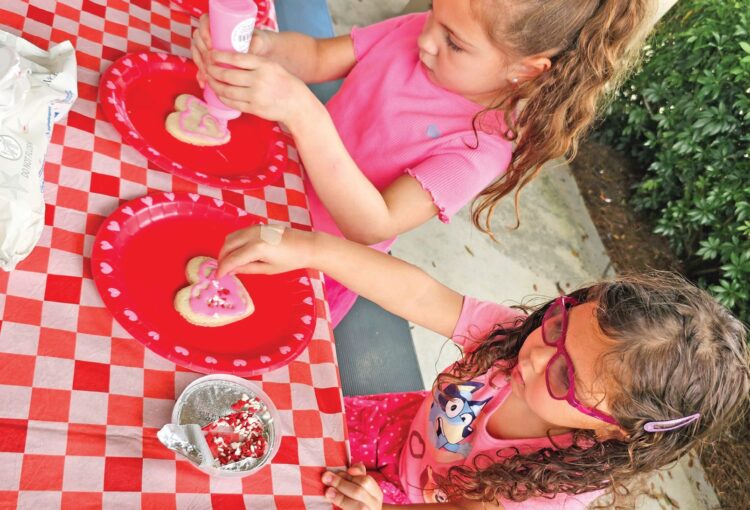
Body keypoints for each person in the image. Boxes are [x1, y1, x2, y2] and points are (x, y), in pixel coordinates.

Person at [216, 225, 750, 509]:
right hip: (386, 429)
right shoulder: (513, 337)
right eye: (561, 323)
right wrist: (314, 249)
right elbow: (422, 294)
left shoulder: (558, 487)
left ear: (616, 429)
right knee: (243, 438)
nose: (537, 353)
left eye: (565, 377)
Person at [192, 0, 654, 327]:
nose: (427, 39)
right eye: (434, 11)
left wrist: (302, 111)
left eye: (453, 42)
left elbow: (372, 223)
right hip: (266, 195)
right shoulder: (421, 32)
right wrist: (261, 49)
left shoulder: (479, 148)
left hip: (307, 269)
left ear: (526, 69)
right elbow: (315, 56)